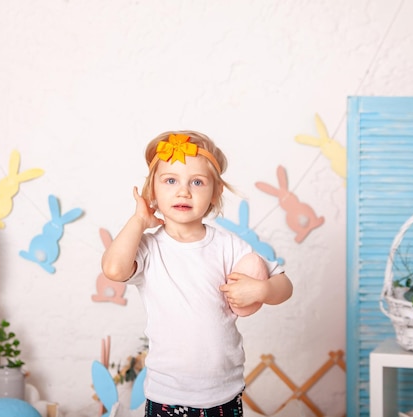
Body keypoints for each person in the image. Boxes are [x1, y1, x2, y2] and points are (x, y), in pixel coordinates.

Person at [101, 130, 293, 417]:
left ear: (214, 193)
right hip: (167, 393)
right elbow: (114, 270)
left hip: (223, 392)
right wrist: (139, 220)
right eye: (170, 180)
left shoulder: (228, 245)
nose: (183, 191)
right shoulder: (149, 248)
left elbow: (285, 286)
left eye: (197, 182)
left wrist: (262, 290)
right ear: (152, 191)